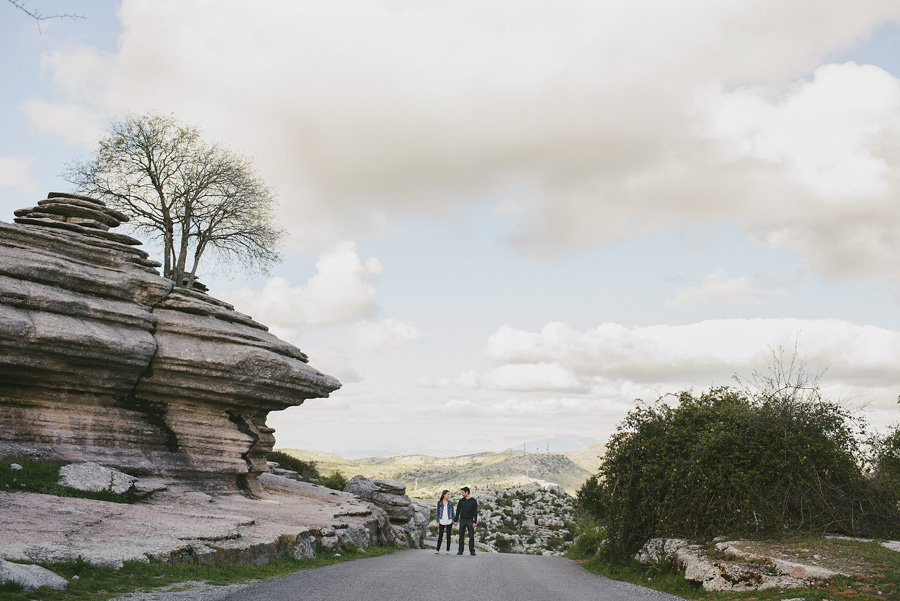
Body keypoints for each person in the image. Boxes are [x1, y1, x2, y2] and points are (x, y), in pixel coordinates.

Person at [454, 486, 478, 555]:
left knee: (471, 536)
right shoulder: (461, 501)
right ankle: (460, 550)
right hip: (462, 520)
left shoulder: (473, 501)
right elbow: (458, 511)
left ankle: (472, 551)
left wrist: (474, 522)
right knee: (461, 536)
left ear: (467, 492)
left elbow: (475, 512)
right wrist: (456, 520)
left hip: (470, 520)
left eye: (463, 492)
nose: (462, 493)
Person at [435, 489, 454, 554]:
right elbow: (437, 512)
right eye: (448, 494)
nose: (449, 496)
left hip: (449, 520)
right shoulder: (439, 503)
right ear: (444, 495)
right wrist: (437, 521)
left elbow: (452, 512)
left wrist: (455, 520)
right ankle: (437, 550)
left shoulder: (450, 503)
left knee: (448, 536)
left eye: (449, 494)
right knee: (440, 535)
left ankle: (447, 550)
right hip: (441, 520)